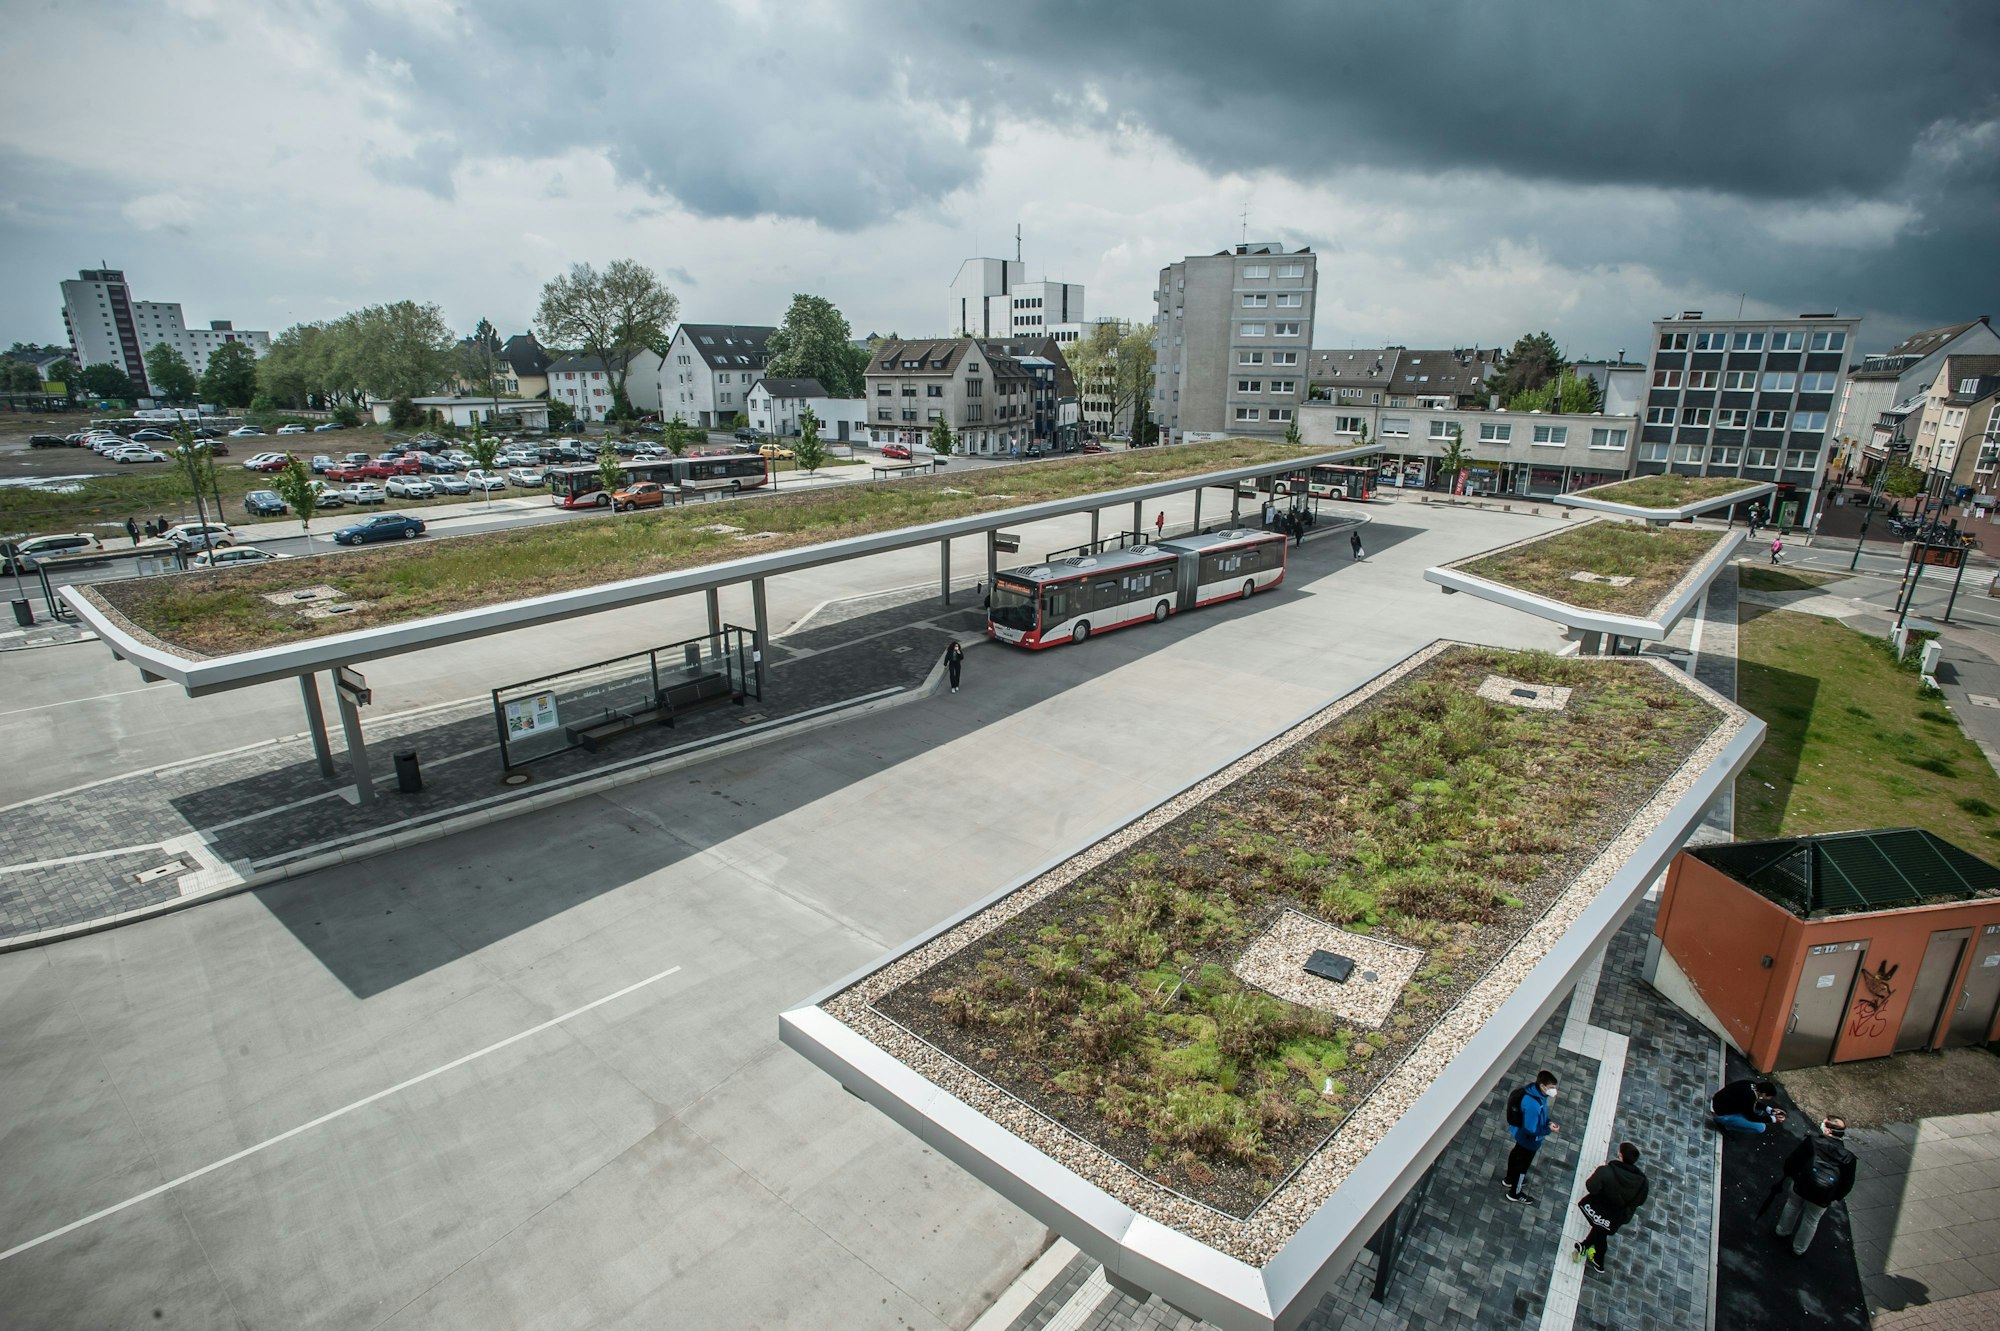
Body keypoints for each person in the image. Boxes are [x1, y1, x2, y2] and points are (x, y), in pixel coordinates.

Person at [1776, 1116, 1857, 1256]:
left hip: (1801, 1184)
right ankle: (1799, 1249)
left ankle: (1782, 1231)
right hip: (1823, 1195)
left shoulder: (1813, 1141)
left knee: (1792, 1205)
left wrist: (1794, 1177)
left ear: (1827, 1129)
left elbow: (1793, 1161)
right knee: (1811, 1220)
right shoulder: (1848, 1157)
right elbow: (1847, 1184)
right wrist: (1833, 1196)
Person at [1572, 1142, 1649, 1274]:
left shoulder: (1606, 1171)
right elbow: (1640, 1201)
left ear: (1620, 1155)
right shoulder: (1642, 1181)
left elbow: (1591, 1187)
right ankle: (1585, 1245)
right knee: (1600, 1227)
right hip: (1619, 1215)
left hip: (1600, 1208)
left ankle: (1599, 1260)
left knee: (1601, 1231)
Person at [1503, 1070, 1560, 1203]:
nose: (1554, 1090)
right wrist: (1548, 1129)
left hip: (1520, 1135)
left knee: (1516, 1154)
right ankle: (1515, 1193)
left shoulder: (1533, 1093)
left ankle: (1509, 1179)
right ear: (1542, 1086)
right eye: (1551, 1088)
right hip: (1529, 1141)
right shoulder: (1534, 1104)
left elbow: (1540, 1118)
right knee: (1522, 1167)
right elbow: (1531, 1129)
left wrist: (1548, 1122)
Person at [1710, 1079, 1786, 1134]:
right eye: (1769, 1097)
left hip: (1717, 1103)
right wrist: (1773, 1119)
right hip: (1719, 1114)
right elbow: (1751, 1116)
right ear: (1764, 1094)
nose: (1769, 1099)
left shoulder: (1751, 1084)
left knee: (1760, 1111)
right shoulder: (1750, 1096)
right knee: (1761, 1128)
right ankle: (1726, 1126)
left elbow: (1751, 1103)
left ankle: (1734, 1121)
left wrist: (1768, 1109)